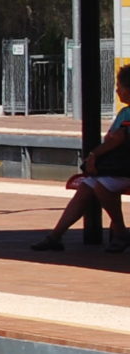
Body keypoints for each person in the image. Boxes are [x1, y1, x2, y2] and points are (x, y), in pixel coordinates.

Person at [31, 63, 130, 252]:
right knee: (87, 186)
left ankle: (120, 230)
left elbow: (118, 138)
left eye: (120, 86)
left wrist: (94, 155)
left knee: (102, 185)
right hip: (119, 167)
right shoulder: (125, 112)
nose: (117, 90)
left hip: (124, 167)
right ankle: (56, 235)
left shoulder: (128, 114)